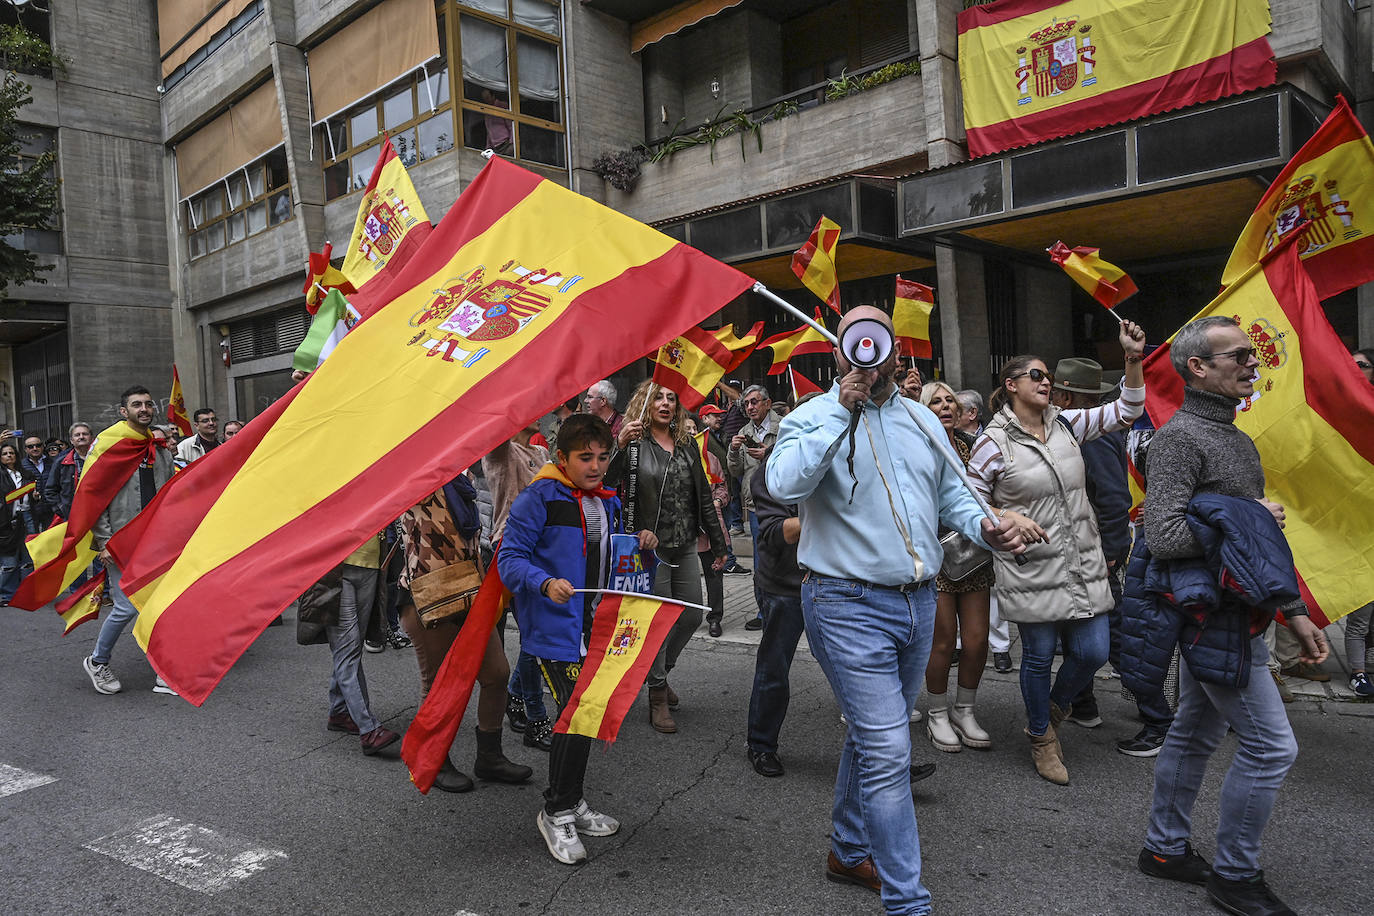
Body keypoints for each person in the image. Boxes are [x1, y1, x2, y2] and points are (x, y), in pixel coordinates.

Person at [767, 306, 1022, 914]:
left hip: (917, 604)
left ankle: (848, 850)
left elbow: (953, 492)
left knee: (870, 738)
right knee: (887, 750)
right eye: (855, 341)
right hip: (846, 604)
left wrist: (991, 529)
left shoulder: (920, 420)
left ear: (895, 354)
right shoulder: (811, 416)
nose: (868, 354)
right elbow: (783, 485)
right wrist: (841, 410)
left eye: (877, 342)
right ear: (838, 352)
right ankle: (909, 903)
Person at [1132, 315, 1328, 916]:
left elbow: (1255, 550)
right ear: (1198, 367)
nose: (1251, 363)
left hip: (1238, 615)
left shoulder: (1237, 439)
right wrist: (1247, 518)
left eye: (1249, 354)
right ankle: (1236, 876)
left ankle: (1164, 850)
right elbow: (1162, 535)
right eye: (1238, 355)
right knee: (1272, 748)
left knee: (1195, 732)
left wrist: (1294, 612)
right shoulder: (1179, 438)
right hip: (1210, 620)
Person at [968, 319, 1147, 785]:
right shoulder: (992, 441)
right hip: (1031, 566)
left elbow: (1127, 410)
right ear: (1011, 386)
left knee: (1093, 650)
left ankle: (1048, 711)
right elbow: (966, 497)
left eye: (1048, 376)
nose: (1046, 382)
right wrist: (1003, 518)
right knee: (1039, 655)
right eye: (1037, 376)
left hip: (1082, 559)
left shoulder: (1068, 424)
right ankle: (1042, 739)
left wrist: (1131, 359)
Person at [499, 414, 653, 864]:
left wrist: (641, 543)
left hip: (596, 627)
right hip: (552, 630)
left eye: (603, 457)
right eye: (585, 457)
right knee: (577, 712)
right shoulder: (537, 499)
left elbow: (613, 557)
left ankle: (571, 800)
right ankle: (557, 810)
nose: (597, 466)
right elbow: (509, 559)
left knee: (586, 713)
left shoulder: (607, 501)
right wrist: (544, 582)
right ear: (561, 457)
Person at [1048, 358, 1176, 756]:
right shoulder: (1066, 428)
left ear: (1065, 395)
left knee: (1117, 639)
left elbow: (1114, 498)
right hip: (1074, 551)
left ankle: (1158, 718)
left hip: (1095, 553)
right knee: (1076, 630)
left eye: (1053, 390)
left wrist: (1111, 554)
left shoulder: (1092, 434)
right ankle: (1083, 703)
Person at [395, 480, 533, 788]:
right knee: (437, 685)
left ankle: (489, 757)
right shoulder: (417, 479)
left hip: (470, 593)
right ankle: (435, 761)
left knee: (497, 674)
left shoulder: (463, 483)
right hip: (427, 598)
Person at [611, 381, 727, 734]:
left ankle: (658, 673)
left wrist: (720, 544)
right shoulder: (634, 444)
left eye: (671, 398)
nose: (665, 403)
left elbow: (704, 496)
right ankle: (657, 696)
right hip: (649, 548)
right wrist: (618, 447)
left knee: (691, 615)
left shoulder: (687, 445)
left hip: (686, 542)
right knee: (657, 623)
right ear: (644, 403)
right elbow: (607, 483)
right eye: (658, 397)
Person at [81, 387, 177, 696]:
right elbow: (94, 496)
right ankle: (97, 661)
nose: (144, 408)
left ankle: (163, 671)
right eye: (137, 405)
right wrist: (105, 541)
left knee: (158, 604)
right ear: (124, 411)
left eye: (148, 404)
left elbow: (168, 496)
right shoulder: (111, 445)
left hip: (156, 541)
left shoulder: (159, 448)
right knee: (125, 607)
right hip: (122, 540)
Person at [919, 381, 996, 753]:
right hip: (934, 554)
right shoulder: (918, 446)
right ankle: (936, 713)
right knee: (944, 639)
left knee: (978, 639)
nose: (946, 406)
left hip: (973, 552)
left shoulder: (970, 446)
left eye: (950, 399)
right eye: (936, 401)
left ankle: (965, 710)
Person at [482, 423, 554, 749]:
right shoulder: (501, 452)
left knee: (535, 637)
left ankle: (514, 697)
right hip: (509, 553)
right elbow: (495, 436)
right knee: (532, 638)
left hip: (542, 554)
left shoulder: (541, 453)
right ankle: (535, 719)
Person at [745, 442, 804, 776]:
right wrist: (826, 511)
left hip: (834, 581)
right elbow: (772, 532)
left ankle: (885, 755)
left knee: (861, 671)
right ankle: (761, 745)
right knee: (774, 669)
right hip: (784, 586)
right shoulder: (773, 469)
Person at [727, 384, 780, 631]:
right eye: (746, 403)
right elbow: (735, 470)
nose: (750, 407)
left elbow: (799, 458)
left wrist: (768, 454)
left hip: (784, 505)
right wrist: (734, 450)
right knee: (761, 564)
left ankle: (789, 610)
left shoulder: (787, 425)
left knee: (786, 560)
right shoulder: (744, 430)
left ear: (767, 403)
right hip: (757, 506)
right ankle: (764, 612)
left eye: (754, 402)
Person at [685, 416, 729, 637]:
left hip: (710, 527)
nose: (692, 433)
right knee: (684, 576)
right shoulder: (674, 459)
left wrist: (717, 501)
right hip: (685, 528)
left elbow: (722, 486)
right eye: (687, 429)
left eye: (694, 429)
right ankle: (685, 618)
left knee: (714, 574)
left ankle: (714, 618)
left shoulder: (711, 459)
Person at [0, 442, 34, 605]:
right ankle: (7, 595)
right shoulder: (1, 474)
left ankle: (25, 593)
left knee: (28, 559)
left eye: (11, 453)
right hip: (7, 521)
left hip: (27, 517)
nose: (9, 456)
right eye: (5, 453)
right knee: (9, 562)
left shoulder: (26, 474)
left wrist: (36, 497)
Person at [20, 435, 54, 531]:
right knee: (32, 539)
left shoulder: (52, 462)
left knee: (50, 538)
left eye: (38, 445)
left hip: (50, 508)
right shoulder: (21, 465)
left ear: (43, 447)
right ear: (26, 449)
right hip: (31, 509)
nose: (35, 448)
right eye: (31, 446)